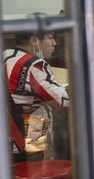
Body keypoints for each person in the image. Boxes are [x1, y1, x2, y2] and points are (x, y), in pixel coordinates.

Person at [4, 30, 70, 161]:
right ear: (34, 40)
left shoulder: (6, 54)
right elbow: (64, 102)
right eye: (50, 38)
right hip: (29, 140)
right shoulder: (34, 64)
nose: (54, 43)